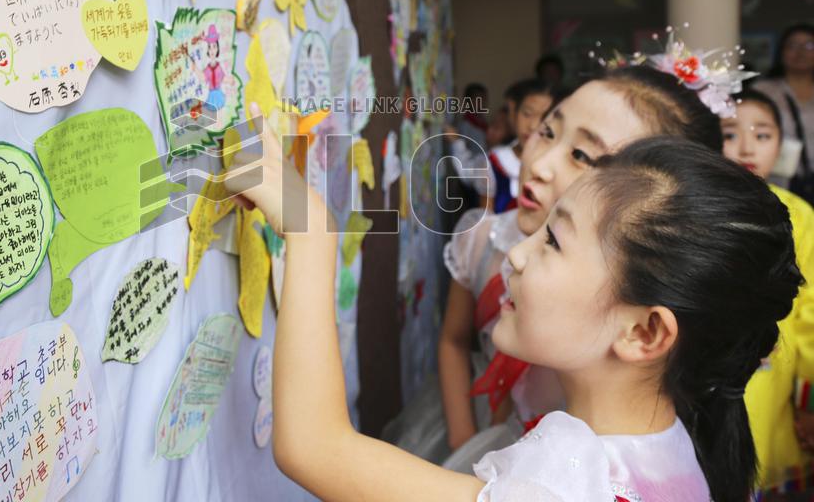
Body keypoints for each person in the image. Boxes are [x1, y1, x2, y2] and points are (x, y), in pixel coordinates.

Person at [225, 104, 801, 502]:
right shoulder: (672, 441)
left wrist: (311, 231)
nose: (517, 256)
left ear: (644, 334)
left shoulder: (567, 478)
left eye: (553, 240)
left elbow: (313, 446)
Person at [439, 65, 724, 460]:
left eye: (581, 155)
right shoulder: (481, 237)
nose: (538, 164)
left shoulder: (638, 306)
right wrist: (462, 441)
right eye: (547, 131)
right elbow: (454, 340)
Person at [721, 88, 814, 495]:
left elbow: (811, 313)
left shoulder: (800, 215)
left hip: (776, 375)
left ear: (781, 142)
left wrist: (810, 401)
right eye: (729, 134)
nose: (747, 147)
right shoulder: (689, 208)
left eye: (762, 135)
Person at [446, 79, 561, 213]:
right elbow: (486, 221)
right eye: (527, 114)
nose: (533, 126)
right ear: (514, 112)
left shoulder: (560, 165)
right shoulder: (496, 162)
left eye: (544, 117)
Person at [753, 24, 814, 200]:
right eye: (793, 46)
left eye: (809, 46)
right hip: (778, 178)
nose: (801, 52)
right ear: (781, 52)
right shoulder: (763, 90)